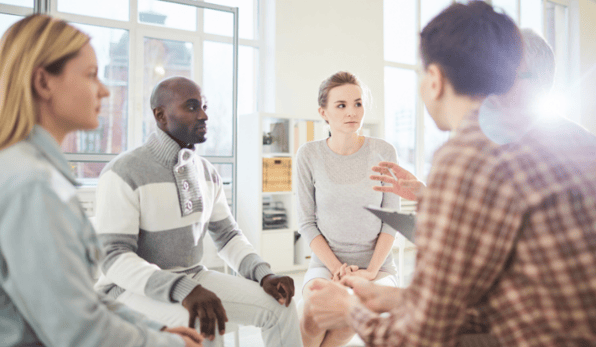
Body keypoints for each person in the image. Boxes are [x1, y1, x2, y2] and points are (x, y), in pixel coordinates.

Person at [307, 2, 596, 346]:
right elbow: (521, 280)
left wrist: (350, 310)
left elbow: (419, 337)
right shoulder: (565, 141)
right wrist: (399, 298)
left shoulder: (467, 154)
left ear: (435, 80)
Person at [0, 14, 203, 347]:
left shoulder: (35, 171)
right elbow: (76, 328)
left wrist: (154, 329)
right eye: (91, 75)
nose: (106, 90)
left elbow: (74, 296)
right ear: (43, 82)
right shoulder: (33, 185)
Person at [93, 76, 302, 347]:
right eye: (192, 107)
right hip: (128, 290)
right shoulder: (123, 172)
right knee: (204, 325)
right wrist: (182, 289)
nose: (203, 115)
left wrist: (264, 274)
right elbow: (114, 257)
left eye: (204, 106)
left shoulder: (206, 172)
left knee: (281, 307)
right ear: (160, 115)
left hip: (193, 276)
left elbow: (227, 236)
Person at [296, 71, 401, 347]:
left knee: (348, 311)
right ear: (324, 112)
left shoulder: (384, 151)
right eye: (341, 105)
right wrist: (338, 269)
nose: (351, 112)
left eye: (358, 103)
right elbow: (307, 223)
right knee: (313, 313)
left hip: (377, 269)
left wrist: (369, 272)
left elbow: (392, 221)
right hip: (326, 265)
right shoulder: (309, 154)